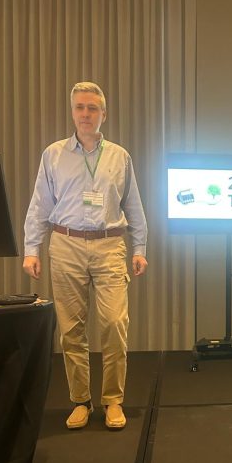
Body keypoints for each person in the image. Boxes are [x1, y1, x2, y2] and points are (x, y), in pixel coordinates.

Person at [23, 82, 148, 430]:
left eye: (92, 108)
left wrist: (139, 248)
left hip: (109, 245)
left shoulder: (119, 156)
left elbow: (134, 206)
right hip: (66, 245)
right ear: (72, 112)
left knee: (114, 324)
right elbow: (40, 205)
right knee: (71, 331)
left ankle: (113, 400)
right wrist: (32, 249)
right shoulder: (53, 154)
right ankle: (80, 400)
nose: (85, 114)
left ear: (103, 114)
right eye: (80, 107)